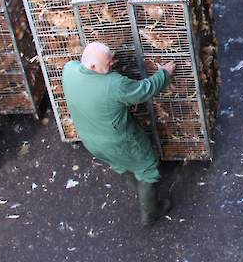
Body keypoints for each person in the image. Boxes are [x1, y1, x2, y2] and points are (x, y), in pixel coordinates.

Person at [62, 42, 175, 226]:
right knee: (147, 167)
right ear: (92, 66)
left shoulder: (69, 70)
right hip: (120, 142)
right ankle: (151, 212)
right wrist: (163, 74)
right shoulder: (113, 84)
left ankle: (139, 192)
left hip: (92, 142)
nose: (112, 64)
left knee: (121, 165)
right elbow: (143, 90)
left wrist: (106, 62)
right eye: (108, 63)